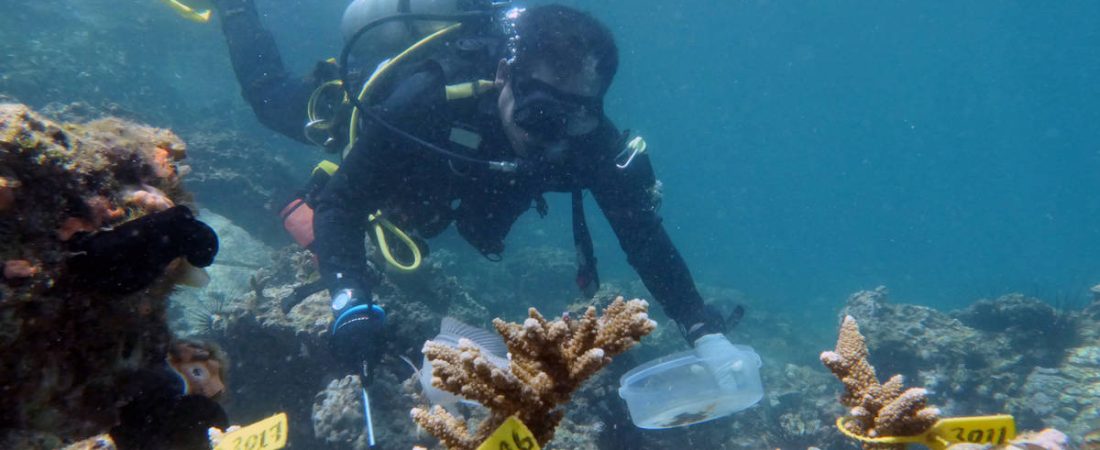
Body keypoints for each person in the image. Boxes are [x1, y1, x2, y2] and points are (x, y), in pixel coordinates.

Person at [210, 0, 740, 383]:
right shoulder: (428, 98)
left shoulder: (586, 139)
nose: (553, 139)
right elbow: (343, 203)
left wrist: (704, 332)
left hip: (439, 193)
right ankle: (235, 8)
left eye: (578, 114)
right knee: (270, 99)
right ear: (504, 74)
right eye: (540, 114)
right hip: (382, 137)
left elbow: (643, 237)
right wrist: (351, 303)